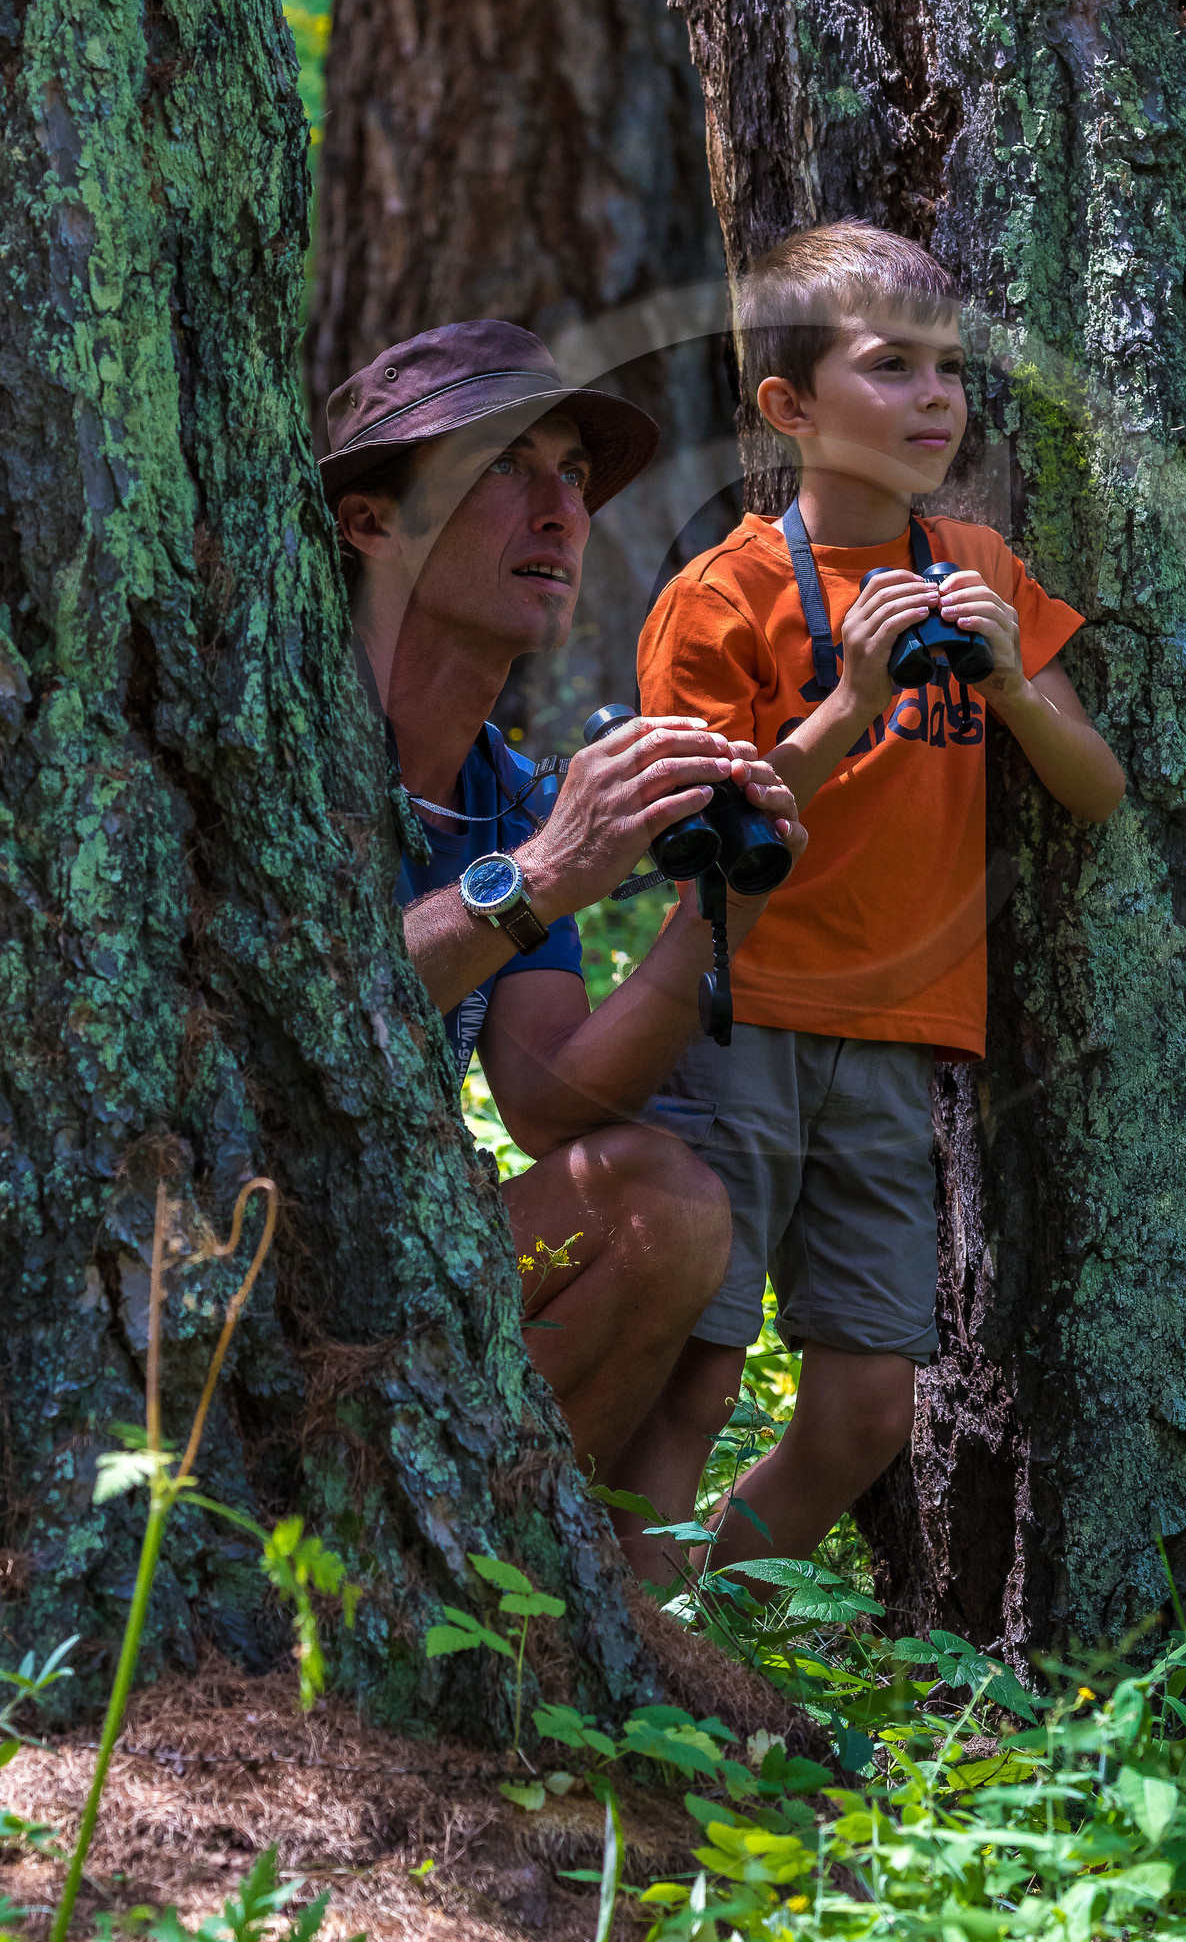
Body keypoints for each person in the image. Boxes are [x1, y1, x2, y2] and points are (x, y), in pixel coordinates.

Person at [614, 223, 1124, 1585]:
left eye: (950, 369)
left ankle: (681, 1623)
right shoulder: (723, 596)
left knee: (863, 1413)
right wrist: (846, 707)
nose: (936, 397)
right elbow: (703, 830)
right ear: (790, 408)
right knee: (696, 1385)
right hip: (741, 1022)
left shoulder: (978, 567)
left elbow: (1096, 789)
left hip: (900, 1039)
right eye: (891, 366)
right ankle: (637, 1660)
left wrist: (1016, 685)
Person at [321, 318, 806, 1492]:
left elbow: (547, 1098)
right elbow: (306, 1014)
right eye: (502, 467)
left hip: (383, 1247)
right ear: (370, 521)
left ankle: (496, 1585)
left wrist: (712, 918)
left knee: (665, 1206)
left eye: (573, 474)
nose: (560, 511)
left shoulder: (507, 795)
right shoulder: (291, 741)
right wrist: (541, 878)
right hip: (205, 1251)